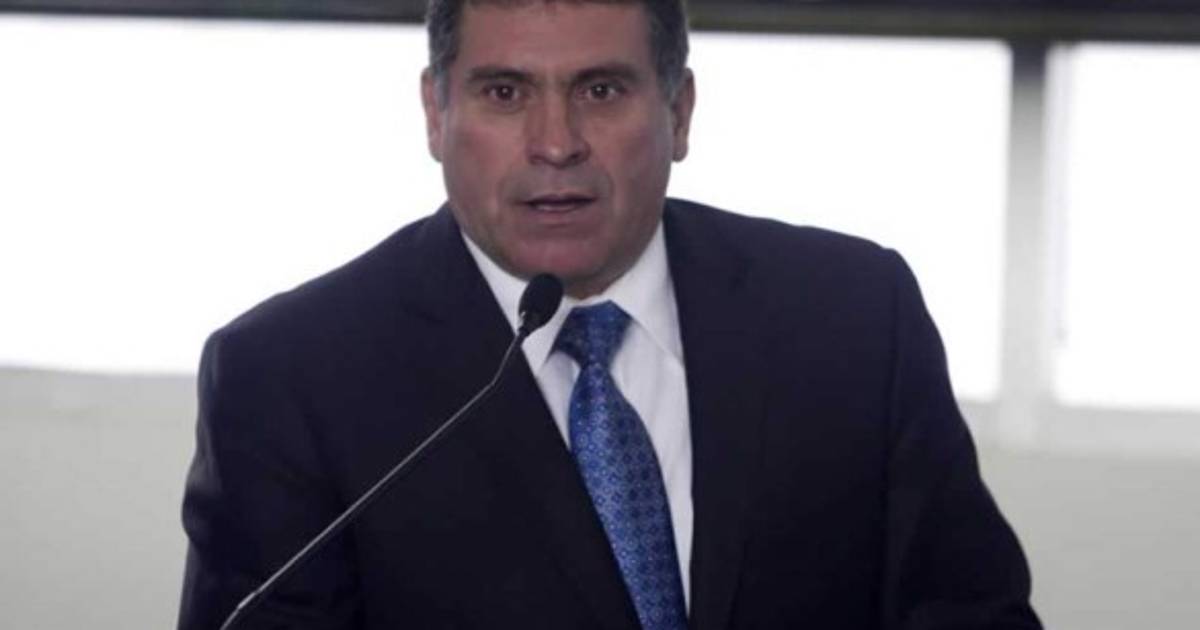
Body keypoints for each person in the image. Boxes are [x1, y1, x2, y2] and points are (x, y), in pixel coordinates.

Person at [178, 1, 1042, 628]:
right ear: (437, 114)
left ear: (679, 111)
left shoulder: (852, 317)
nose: (556, 142)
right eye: (505, 93)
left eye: (599, 90)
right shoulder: (290, 376)